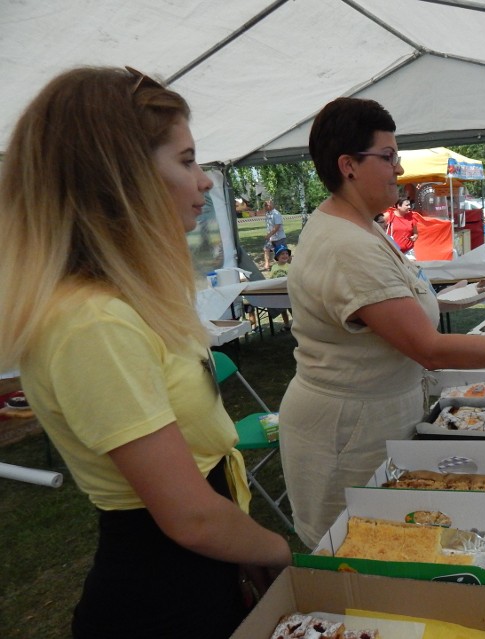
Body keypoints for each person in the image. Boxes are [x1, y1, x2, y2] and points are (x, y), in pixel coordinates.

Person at [0, 67, 292, 639]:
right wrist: (283, 551)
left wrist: (240, 547)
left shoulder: (118, 301)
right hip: (162, 601)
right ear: (121, 179)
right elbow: (189, 516)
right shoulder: (91, 322)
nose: (205, 181)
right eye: (185, 161)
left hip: (198, 577)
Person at [279, 96, 485, 548]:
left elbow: (390, 309)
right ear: (348, 165)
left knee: (397, 536)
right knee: (356, 544)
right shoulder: (345, 245)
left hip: (377, 412)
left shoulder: (363, 225)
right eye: (388, 157)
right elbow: (430, 348)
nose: (399, 169)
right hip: (348, 433)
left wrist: (447, 301)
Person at [262, 199, 287, 270]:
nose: (266, 207)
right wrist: (269, 235)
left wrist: (269, 235)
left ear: (272, 205)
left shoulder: (276, 214)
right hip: (270, 238)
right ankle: (267, 265)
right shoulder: (267, 213)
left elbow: (277, 227)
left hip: (279, 238)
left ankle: (290, 264)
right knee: (266, 249)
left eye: (267, 205)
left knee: (283, 252)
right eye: (265, 205)